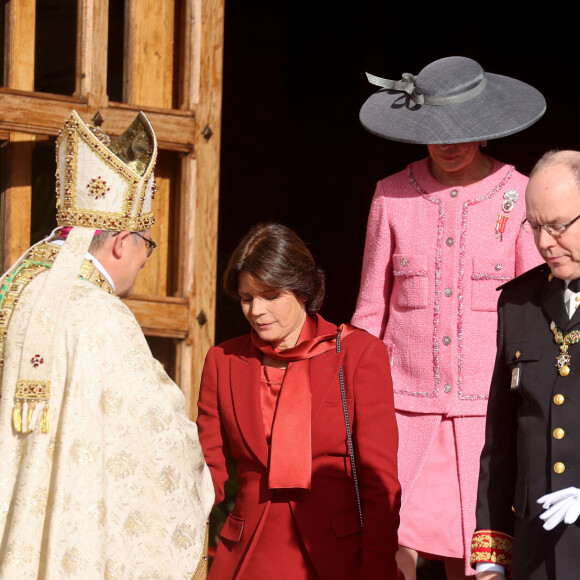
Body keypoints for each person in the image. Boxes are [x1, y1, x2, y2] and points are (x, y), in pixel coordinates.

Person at [351, 56, 546, 579]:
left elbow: (536, 310)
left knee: (481, 556)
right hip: (403, 410)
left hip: (489, 413)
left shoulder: (519, 193)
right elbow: (371, 307)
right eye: (436, 131)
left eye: (465, 130)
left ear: (487, 129)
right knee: (392, 545)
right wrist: (353, 395)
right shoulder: (391, 194)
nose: (451, 143)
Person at [0, 110, 214, 578]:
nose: (143, 261)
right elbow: (154, 429)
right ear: (121, 242)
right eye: (146, 246)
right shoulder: (101, 315)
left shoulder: (14, 289)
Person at [196, 222, 401, 579]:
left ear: (303, 291)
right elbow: (205, 472)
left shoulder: (358, 354)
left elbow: (379, 481)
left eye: (271, 295)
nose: (256, 310)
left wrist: (378, 568)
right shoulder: (222, 360)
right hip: (247, 555)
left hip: (336, 556)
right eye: (247, 298)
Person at [471, 150, 580, 579]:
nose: (544, 242)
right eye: (534, 227)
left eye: (557, 226)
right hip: (536, 553)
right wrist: (492, 553)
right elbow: (501, 441)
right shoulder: (518, 302)